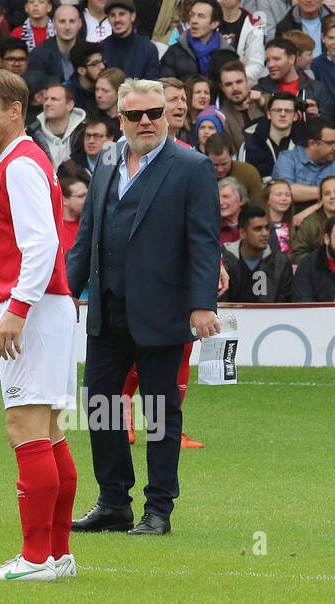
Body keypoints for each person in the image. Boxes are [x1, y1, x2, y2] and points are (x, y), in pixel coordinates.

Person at [67, 76, 221, 537]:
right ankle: (113, 502)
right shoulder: (108, 157)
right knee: (100, 406)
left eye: (155, 112)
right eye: (135, 115)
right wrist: (65, 294)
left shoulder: (192, 166)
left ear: (168, 114)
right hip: (108, 311)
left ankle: (158, 510)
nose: (147, 121)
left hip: (163, 313)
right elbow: (87, 235)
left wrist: (200, 305)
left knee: (160, 412)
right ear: (121, 119)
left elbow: (204, 242)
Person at [0, 68, 79, 579]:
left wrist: (15, 309)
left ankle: (35, 559)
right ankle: (57, 556)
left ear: (15, 111)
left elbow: (43, 247)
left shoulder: (21, 165)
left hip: (36, 311)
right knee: (51, 430)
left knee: (25, 426)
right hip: (45, 309)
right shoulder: (20, 161)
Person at [220, 204, 292, 302]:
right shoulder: (224, 261)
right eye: (258, 229)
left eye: (267, 228)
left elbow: (285, 304)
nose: (265, 233)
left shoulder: (281, 262)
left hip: (271, 317)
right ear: (242, 233)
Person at [100, 0, 160, 80]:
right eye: (112, 15)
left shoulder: (148, 49)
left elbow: (152, 85)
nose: (117, 20)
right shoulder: (101, 48)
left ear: (133, 17)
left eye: (122, 14)